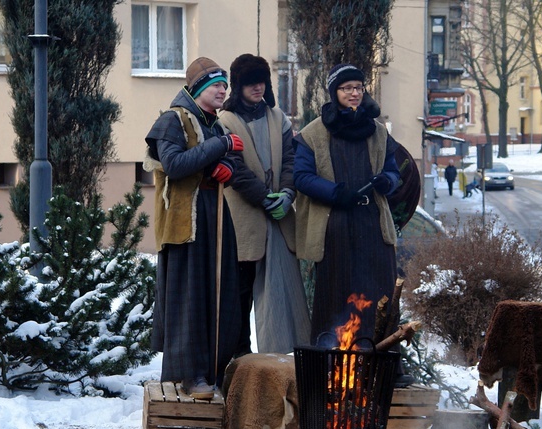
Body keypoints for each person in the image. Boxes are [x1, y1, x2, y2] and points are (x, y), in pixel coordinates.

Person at [293, 63, 413, 387]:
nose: (354, 93)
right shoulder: (313, 133)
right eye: (347, 88)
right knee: (334, 296)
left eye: (359, 87)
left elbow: (393, 170)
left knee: (381, 297)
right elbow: (301, 177)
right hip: (334, 227)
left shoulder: (377, 131)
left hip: (373, 226)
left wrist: (385, 181)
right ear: (335, 93)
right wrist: (336, 193)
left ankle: (385, 369)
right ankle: (328, 371)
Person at [145, 57, 252, 400]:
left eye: (225, 85)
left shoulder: (215, 125)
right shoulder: (172, 120)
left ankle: (216, 371)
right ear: (198, 88)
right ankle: (190, 376)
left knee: (220, 297)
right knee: (190, 299)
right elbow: (175, 165)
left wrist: (228, 170)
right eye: (216, 85)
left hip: (216, 215)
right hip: (185, 224)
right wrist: (219, 148)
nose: (223, 90)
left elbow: (231, 165)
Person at [219, 53, 311, 354]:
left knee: (283, 295)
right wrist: (262, 196)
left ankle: (284, 361)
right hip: (243, 222)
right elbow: (234, 169)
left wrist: (287, 193)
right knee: (240, 298)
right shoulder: (225, 121)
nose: (257, 88)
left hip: (280, 221)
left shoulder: (278, 118)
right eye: (249, 83)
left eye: (261, 81)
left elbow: (290, 161)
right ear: (238, 85)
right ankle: (239, 364)